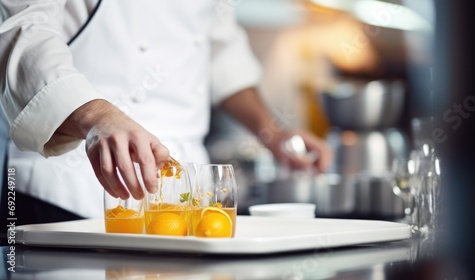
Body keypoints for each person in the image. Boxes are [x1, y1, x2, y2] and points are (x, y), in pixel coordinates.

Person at [0, 0, 333, 225]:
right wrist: (96, 116)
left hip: (185, 194)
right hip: (67, 190)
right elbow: (23, 29)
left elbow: (222, 53)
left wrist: (272, 134)